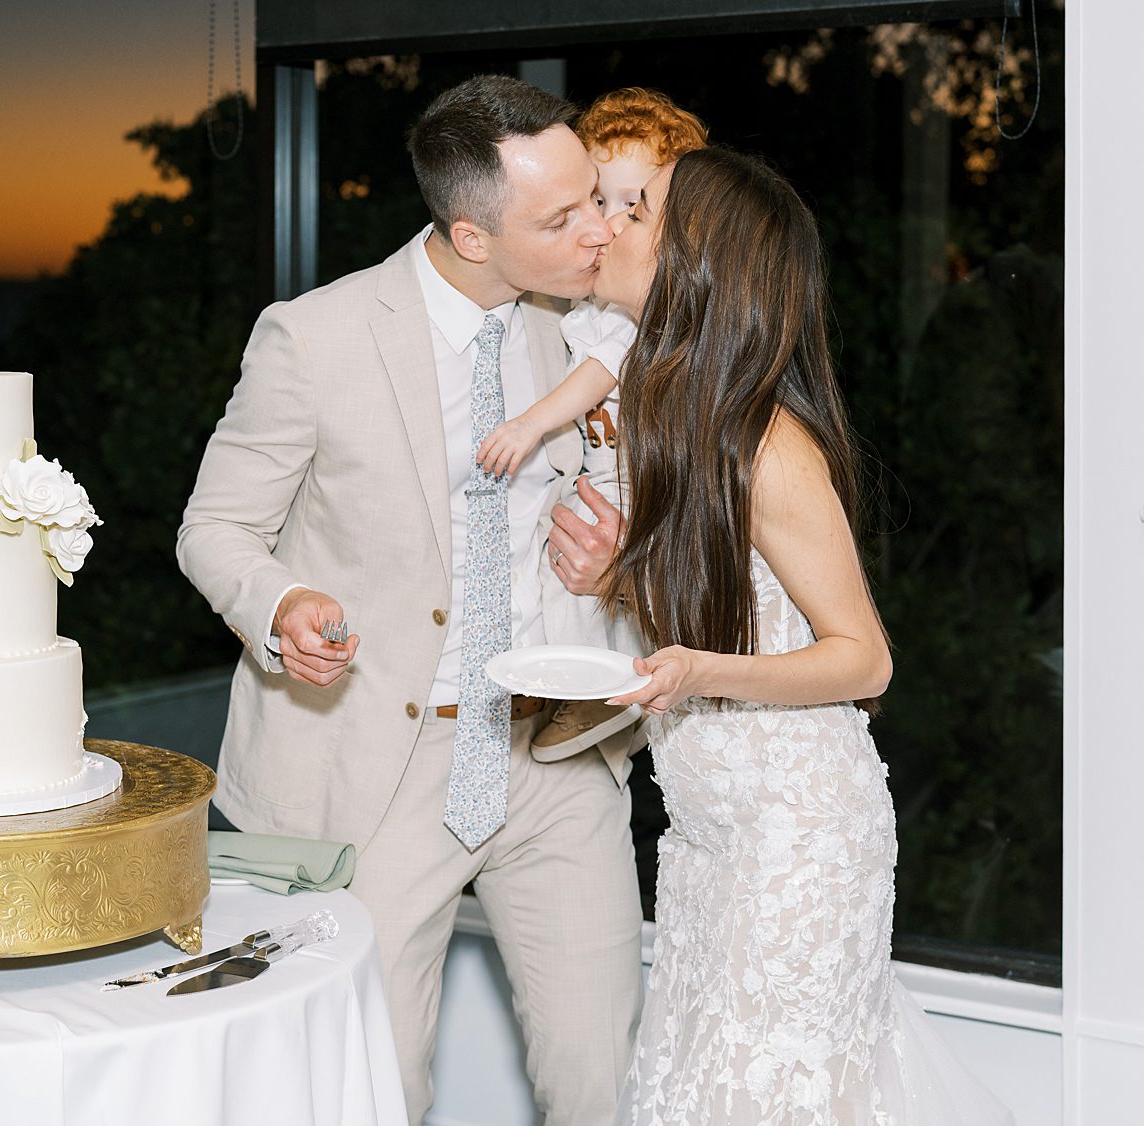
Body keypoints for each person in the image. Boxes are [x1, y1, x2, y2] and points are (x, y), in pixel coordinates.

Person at [177, 75, 643, 1126]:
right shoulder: (315, 338)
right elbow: (214, 530)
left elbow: (640, 502)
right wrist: (284, 601)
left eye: (596, 199)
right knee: (371, 1087)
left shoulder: (592, 334)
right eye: (561, 216)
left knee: (600, 1081)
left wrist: (618, 555)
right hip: (378, 772)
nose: (597, 232)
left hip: (558, 757)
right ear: (472, 235)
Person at [588, 146, 1013, 1125]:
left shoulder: (767, 444)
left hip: (796, 846)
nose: (606, 222)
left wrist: (697, 669)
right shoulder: (668, 420)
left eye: (636, 208)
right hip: (704, 843)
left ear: (694, 259)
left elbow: (865, 658)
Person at [484, 88, 709, 761]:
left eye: (631, 206)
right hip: (599, 471)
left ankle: (598, 701)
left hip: (641, 480)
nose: (608, 224)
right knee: (569, 563)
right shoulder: (579, 300)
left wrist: (529, 423)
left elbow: (603, 368)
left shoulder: (637, 312)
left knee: (597, 571)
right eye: (595, 202)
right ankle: (580, 692)